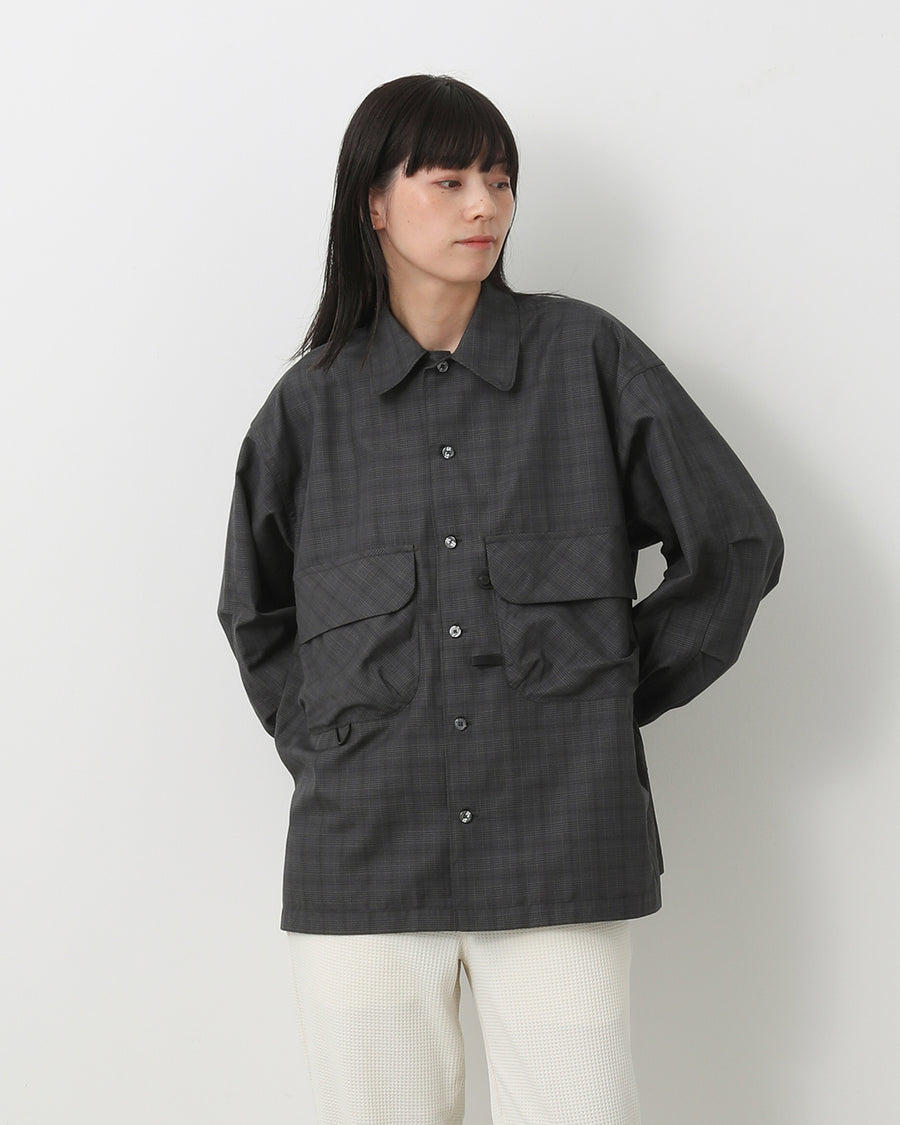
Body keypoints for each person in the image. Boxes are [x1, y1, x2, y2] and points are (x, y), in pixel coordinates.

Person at [217, 74, 784, 1125]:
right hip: (363, 864)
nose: (485, 205)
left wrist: (606, 697)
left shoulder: (588, 359)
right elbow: (258, 619)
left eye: (501, 180)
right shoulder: (307, 411)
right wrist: (333, 746)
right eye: (450, 181)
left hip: (560, 848)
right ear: (374, 202)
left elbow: (735, 543)